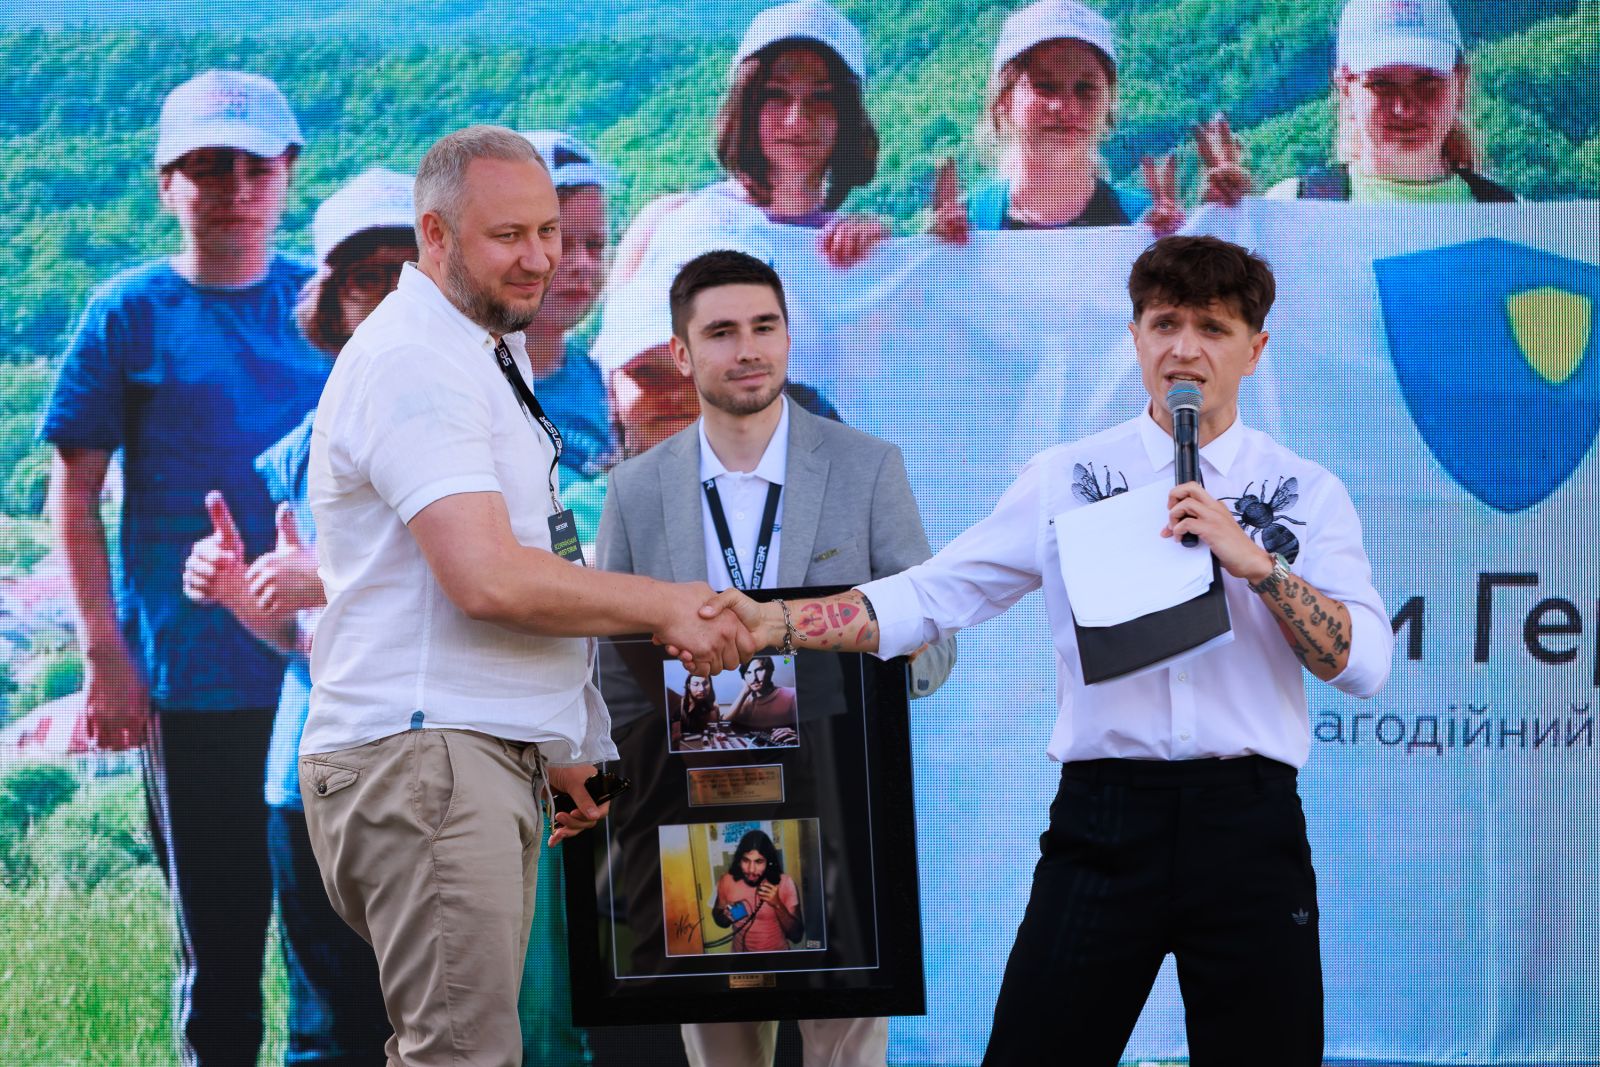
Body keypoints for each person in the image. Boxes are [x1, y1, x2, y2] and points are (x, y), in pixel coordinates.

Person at [708, 235, 1394, 1065]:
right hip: (1105, 818)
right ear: (1135, 336)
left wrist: (1256, 563)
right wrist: (776, 624)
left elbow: (1363, 663)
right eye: (1164, 323)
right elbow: (934, 594)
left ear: (1255, 348)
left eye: (1213, 327)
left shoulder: (1306, 490)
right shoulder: (1068, 476)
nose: (1185, 349)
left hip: (1247, 822)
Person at [295, 125, 755, 1067]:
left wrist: (572, 739)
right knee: (464, 1055)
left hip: (475, 755)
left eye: (552, 231)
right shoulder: (416, 359)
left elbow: (535, 557)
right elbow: (488, 578)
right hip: (428, 755)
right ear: (433, 235)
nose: (541, 257)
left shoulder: (485, 358)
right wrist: (667, 606)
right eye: (509, 235)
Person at [598, 248, 954, 1067]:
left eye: (765, 327)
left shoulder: (868, 466)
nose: (748, 349)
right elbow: (612, 675)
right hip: (695, 813)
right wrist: (617, 805)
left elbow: (934, 637)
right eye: (722, 332)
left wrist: (859, 652)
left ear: (789, 338)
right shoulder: (636, 489)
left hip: (842, 803)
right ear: (682, 353)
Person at [38, 69, 324, 1066]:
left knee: (347, 951)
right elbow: (73, 495)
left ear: (288, 175)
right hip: (196, 680)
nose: (234, 187)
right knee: (223, 950)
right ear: (168, 182)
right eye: (208, 166)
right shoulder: (129, 313)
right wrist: (104, 656)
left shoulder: (327, 303)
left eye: (255, 166)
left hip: (332, 673)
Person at [179, 167, 414, 1067]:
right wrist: (247, 596)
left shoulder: (498, 425)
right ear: (333, 305)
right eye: (366, 279)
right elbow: (305, 637)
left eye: (411, 273)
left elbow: (504, 578)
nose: (389, 297)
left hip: (445, 769)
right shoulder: (305, 449)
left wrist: (333, 574)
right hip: (314, 772)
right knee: (329, 1030)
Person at [612, 0, 888, 283]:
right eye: (776, 95)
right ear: (746, 106)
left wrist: (881, 258)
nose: (797, 121)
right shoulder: (667, 222)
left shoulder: (851, 248)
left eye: (822, 97)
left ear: (848, 117)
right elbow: (625, 310)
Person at [928, 0, 1184, 241]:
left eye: (1085, 88)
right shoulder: (968, 227)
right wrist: (934, 254)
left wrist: (1197, 235)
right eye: (1045, 86)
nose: (1066, 107)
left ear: (1109, 104)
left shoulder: (1146, 225)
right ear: (1004, 99)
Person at [1252, 0, 1515, 203]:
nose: (1404, 108)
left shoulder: (1512, 219)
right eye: (1381, 84)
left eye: (1427, 81)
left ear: (1461, 85)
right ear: (1346, 89)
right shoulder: (1292, 207)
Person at [516, 130, 619, 544]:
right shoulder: (469, 382)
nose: (582, 265)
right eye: (558, 241)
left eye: (595, 246)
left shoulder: (603, 383)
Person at [711, 829, 804, 954]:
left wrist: (777, 904)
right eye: (746, 860)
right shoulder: (726, 881)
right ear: (739, 860)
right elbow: (718, 917)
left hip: (776, 957)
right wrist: (725, 917)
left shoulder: (785, 883)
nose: (751, 870)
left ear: (769, 862)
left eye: (758, 861)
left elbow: (797, 936)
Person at [727, 654, 798, 732]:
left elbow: (804, 728)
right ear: (744, 678)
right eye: (748, 672)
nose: (754, 678)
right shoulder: (745, 701)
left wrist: (794, 733)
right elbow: (724, 725)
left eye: (759, 670)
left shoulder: (793, 694)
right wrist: (744, 692)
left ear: (770, 671)